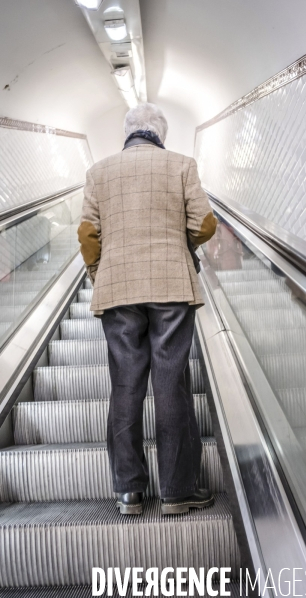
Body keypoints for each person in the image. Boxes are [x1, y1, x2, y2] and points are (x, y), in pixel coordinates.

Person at [78, 103, 217, 515]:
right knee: (171, 384)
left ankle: (129, 492)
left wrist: (100, 270)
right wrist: (182, 241)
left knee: (125, 386)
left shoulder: (98, 172)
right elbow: (205, 224)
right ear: (161, 134)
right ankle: (177, 491)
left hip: (118, 289)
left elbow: (88, 234)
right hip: (171, 285)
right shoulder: (181, 165)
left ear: (127, 133)